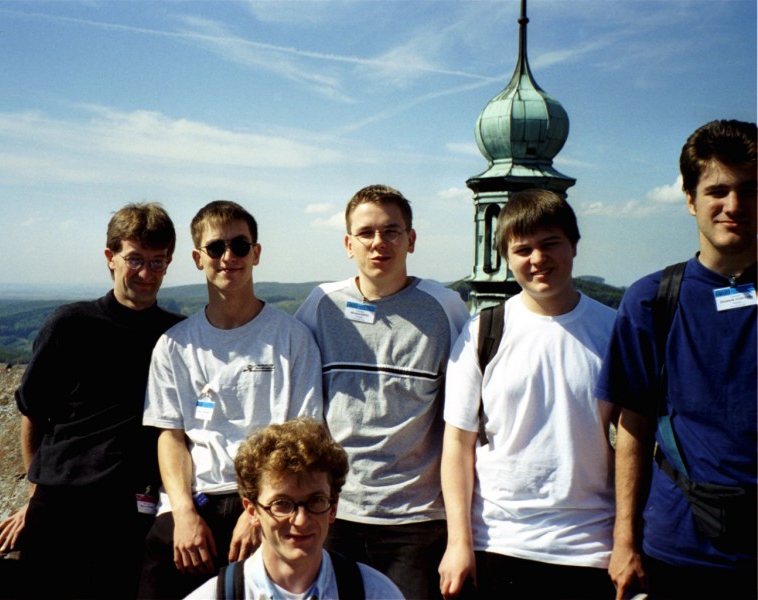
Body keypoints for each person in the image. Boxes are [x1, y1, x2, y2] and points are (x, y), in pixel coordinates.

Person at [597, 119, 757, 600]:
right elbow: (634, 426)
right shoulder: (652, 300)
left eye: (750, 190)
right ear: (690, 200)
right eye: (717, 191)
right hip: (683, 546)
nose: (734, 206)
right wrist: (624, 540)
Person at [0, 202, 184, 599]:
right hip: (62, 506)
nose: (147, 274)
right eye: (135, 260)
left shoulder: (176, 336)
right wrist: (36, 497)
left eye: (158, 262)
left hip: (132, 511)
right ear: (110, 258)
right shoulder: (71, 325)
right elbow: (33, 415)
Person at [139, 200, 324, 599]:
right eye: (216, 248)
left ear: (256, 253)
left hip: (271, 503)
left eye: (240, 247)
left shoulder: (292, 338)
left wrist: (259, 512)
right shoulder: (174, 346)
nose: (228, 257)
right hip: (196, 502)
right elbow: (170, 437)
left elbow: (301, 437)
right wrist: (183, 512)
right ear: (197, 257)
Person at [439, 189, 617, 599]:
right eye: (523, 249)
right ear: (506, 256)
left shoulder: (613, 331)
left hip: (590, 547)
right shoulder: (484, 332)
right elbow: (457, 445)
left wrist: (626, 540)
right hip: (499, 543)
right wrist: (458, 542)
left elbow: (632, 445)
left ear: (573, 245)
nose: (537, 259)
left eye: (550, 243)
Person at [295, 184, 470, 598]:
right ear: (348, 243)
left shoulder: (445, 308)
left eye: (391, 231)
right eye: (366, 233)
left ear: (411, 239)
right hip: (334, 512)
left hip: (416, 520)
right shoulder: (322, 304)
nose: (379, 243)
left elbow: (463, 419)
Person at [184, 417, 405, 599]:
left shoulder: (375, 592)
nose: (301, 520)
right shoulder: (213, 596)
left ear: (333, 507)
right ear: (252, 511)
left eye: (315, 501)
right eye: (282, 504)